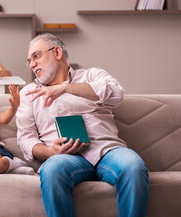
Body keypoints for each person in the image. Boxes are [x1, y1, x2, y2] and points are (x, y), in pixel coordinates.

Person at [16, 33, 149, 217]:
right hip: (66, 158)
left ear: (57, 52)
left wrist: (65, 88)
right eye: (29, 61)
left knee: (133, 165)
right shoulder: (29, 93)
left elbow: (117, 94)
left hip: (108, 152)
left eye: (36, 56)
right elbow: (25, 138)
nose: (32, 64)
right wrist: (51, 152)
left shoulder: (92, 75)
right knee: (52, 169)